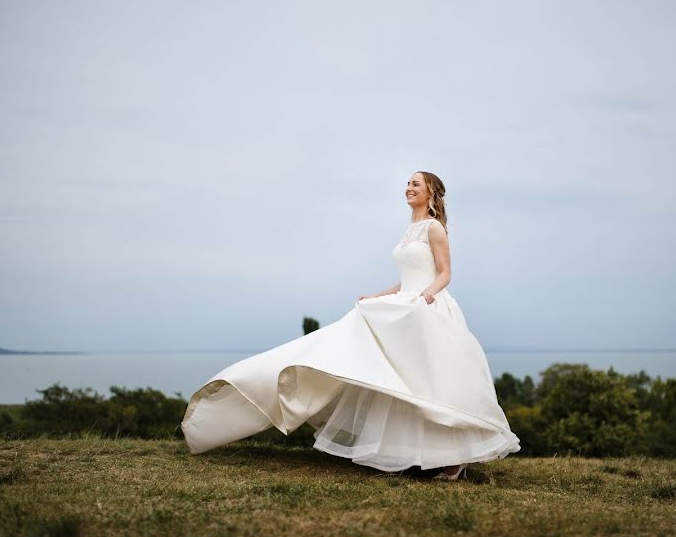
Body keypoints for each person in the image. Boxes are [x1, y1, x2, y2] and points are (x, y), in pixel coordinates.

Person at [181, 171, 521, 480]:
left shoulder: (434, 228)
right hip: (406, 303)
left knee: (430, 385)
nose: (408, 187)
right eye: (406, 183)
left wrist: (428, 295)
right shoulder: (408, 231)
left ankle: (454, 458)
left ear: (430, 192)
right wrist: (376, 295)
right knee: (396, 380)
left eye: (415, 183)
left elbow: (444, 273)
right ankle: (415, 454)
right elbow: (405, 280)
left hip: (425, 310)